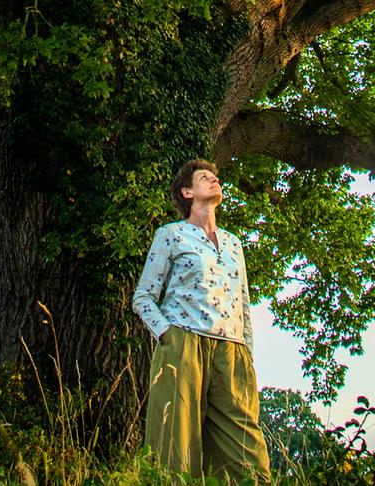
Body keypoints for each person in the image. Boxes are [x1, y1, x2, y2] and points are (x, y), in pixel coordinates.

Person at [133, 159, 271, 483]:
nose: (214, 180)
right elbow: (143, 297)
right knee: (174, 450)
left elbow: (245, 306)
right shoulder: (171, 235)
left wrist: (247, 354)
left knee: (248, 455)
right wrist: (168, 335)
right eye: (204, 177)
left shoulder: (235, 244)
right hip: (183, 345)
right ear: (187, 192)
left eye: (215, 177)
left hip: (232, 352)